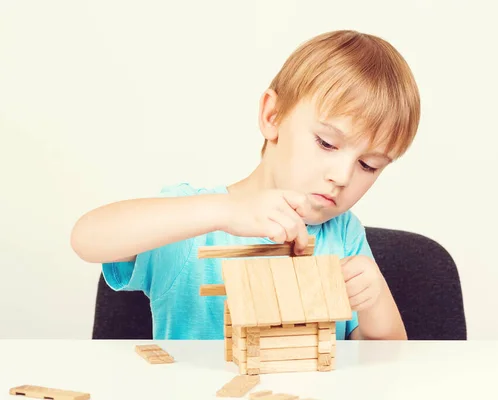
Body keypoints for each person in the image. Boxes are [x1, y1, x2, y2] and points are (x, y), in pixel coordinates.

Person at [71, 29, 421, 341]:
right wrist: (223, 211)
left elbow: (388, 365)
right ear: (273, 117)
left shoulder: (343, 234)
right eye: (327, 144)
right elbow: (87, 239)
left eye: (368, 165)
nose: (343, 177)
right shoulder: (195, 222)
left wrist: (374, 301)